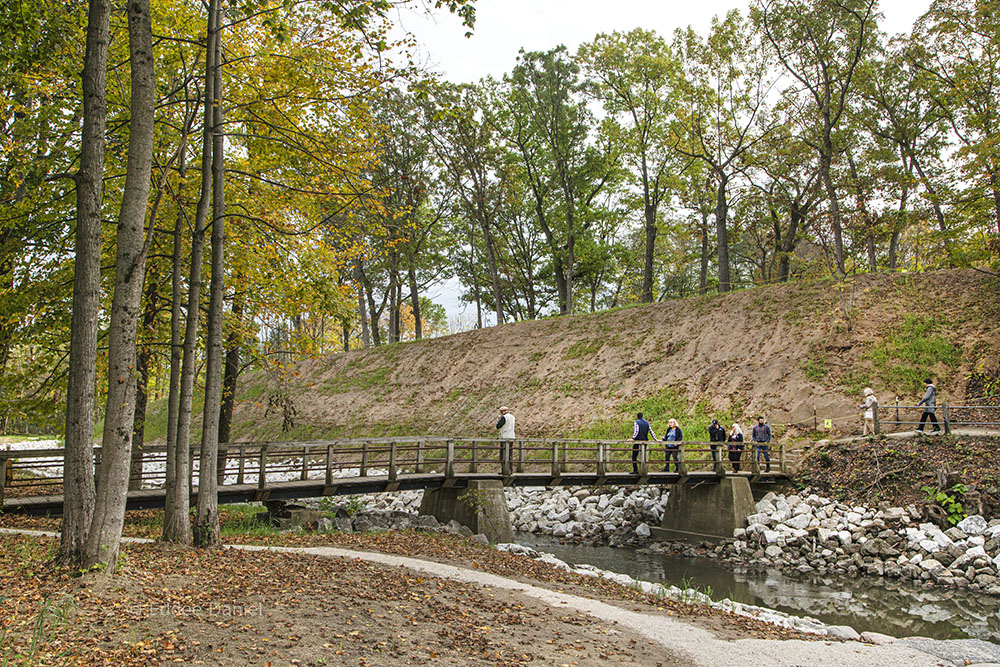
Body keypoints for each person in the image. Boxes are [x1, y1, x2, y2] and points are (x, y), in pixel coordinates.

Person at [496, 406, 516, 471]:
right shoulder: (512, 417)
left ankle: (504, 469)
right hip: (511, 436)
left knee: (503, 454)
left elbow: (498, 426)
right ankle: (510, 468)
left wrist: (499, 420)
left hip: (504, 437)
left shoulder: (504, 417)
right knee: (510, 453)